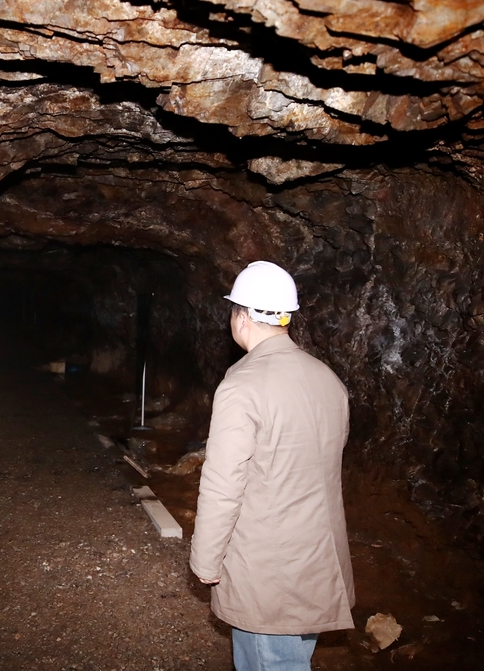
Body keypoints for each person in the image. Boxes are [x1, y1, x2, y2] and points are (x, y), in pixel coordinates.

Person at [190, 261, 355, 671]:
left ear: (242, 317)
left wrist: (206, 559)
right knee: (295, 658)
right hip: (318, 559)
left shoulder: (242, 385)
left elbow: (223, 484)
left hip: (268, 567)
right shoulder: (327, 379)